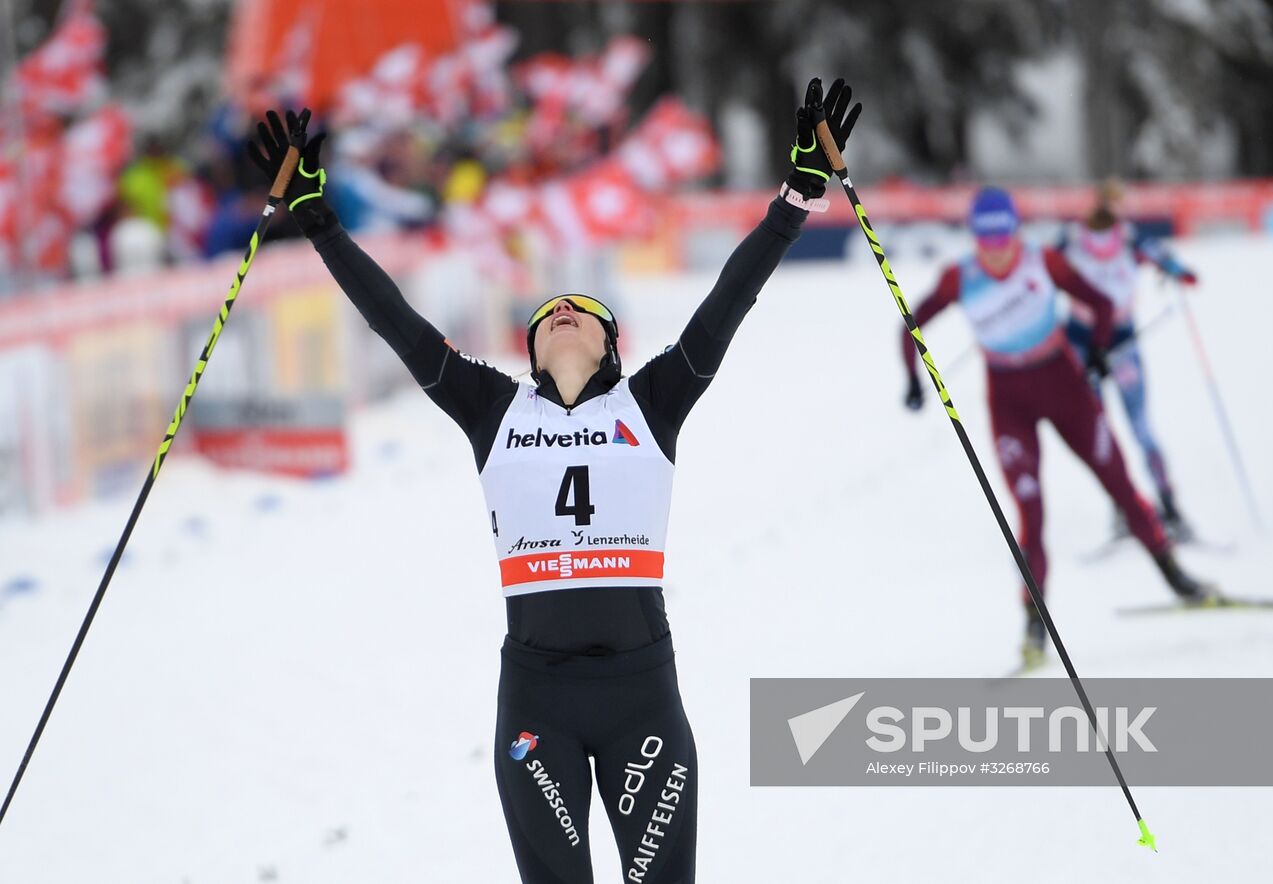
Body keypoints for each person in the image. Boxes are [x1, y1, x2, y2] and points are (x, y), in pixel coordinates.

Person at [247, 78, 861, 884]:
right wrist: (318, 223)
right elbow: (394, 321)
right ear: (531, 349)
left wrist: (795, 199)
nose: (563, 311)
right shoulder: (491, 409)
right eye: (548, 311)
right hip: (538, 704)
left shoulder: (653, 402)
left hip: (643, 695)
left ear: (612, 344)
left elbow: (727, 302)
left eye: (583, 308)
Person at [901, 186, 1213, 669]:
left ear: (1015, 231)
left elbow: (1102, 303)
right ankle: (1033, 624)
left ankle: (1176, 577)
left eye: (1003, 235)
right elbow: (910, 325)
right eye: (985, 238)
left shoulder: (1042, 261)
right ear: (974, 238)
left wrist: (1099, 353)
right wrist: (914, 382)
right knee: (1030, 512)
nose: (996, 248)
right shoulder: (959, 279)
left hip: (1065, 386)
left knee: (1121, 487)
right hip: (1009, 400)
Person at [1057, 178, 1199, 541]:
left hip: (1120, 344)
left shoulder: (1129, 238)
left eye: (1118, 204)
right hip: (1084, 348)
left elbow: (1166, 260)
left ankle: (1169, 508)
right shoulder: (1071, 240)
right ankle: (1123, 510)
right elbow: (1040, 272)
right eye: (1108, 203)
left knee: (1138, 427)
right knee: (1101, 432)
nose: (1112, 212)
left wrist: (1178, 273)